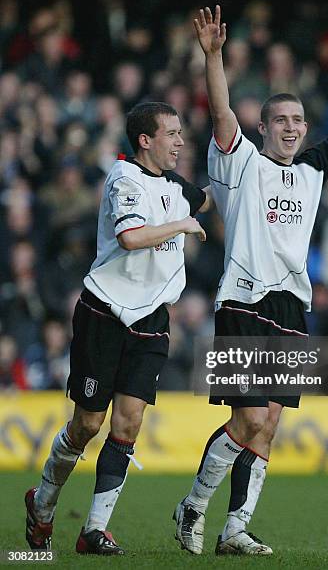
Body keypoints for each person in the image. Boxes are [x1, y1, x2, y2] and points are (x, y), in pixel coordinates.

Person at [174, 6, 328, 556]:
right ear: (263, 128)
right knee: (246, 419)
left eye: (298, 121)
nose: (291, 128)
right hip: (243, 299)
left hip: (292, 304)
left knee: (269, 425)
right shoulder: (240, 163)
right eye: (281, 121)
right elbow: (221, 115)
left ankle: (234, 528)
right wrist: (215, 58)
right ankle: (192, 506)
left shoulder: (314, 168)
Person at [25, 101, 212, 555]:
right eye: (172, 133)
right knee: (88, 423)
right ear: (146, 140)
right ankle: (43, 503)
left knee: (128, 422)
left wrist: (244, 171)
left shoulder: (174, 185)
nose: (180, 140)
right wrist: (182, 225)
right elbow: (130, 237)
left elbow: (206, 197)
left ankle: (94, 530)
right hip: (105, 313)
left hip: (152, 318)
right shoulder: (123, 178)